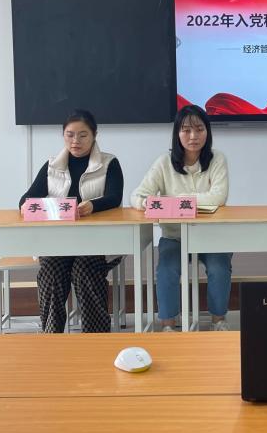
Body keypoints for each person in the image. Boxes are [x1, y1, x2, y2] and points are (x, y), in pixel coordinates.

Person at [19, 109, 123, 334]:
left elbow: (115, 198)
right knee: (51, 271)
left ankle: (96, 338)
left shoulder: (109, 163)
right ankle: (51, 335)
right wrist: (30, 206)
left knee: (85, 270)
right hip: (59, 241)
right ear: (63, 135)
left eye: (83, 135)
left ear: (94, 135)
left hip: (96, 241)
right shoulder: (52, 166)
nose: (76, 141)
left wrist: (93, 205)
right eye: (70, 135)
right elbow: (27, 199)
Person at [131, 105, 233, 332]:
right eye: (186, 130)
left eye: (199, 129)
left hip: (210, 235)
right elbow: (137, 195)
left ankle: (218, 320)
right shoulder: (164, 162)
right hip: (175, 236)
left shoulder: (217, 159)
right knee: (166, 270)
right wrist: (148, 203)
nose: (193, 136)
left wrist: (177, 201)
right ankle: (168, 325)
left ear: (208, 132)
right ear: (177, 133)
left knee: (219, 268)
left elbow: (219, 197)